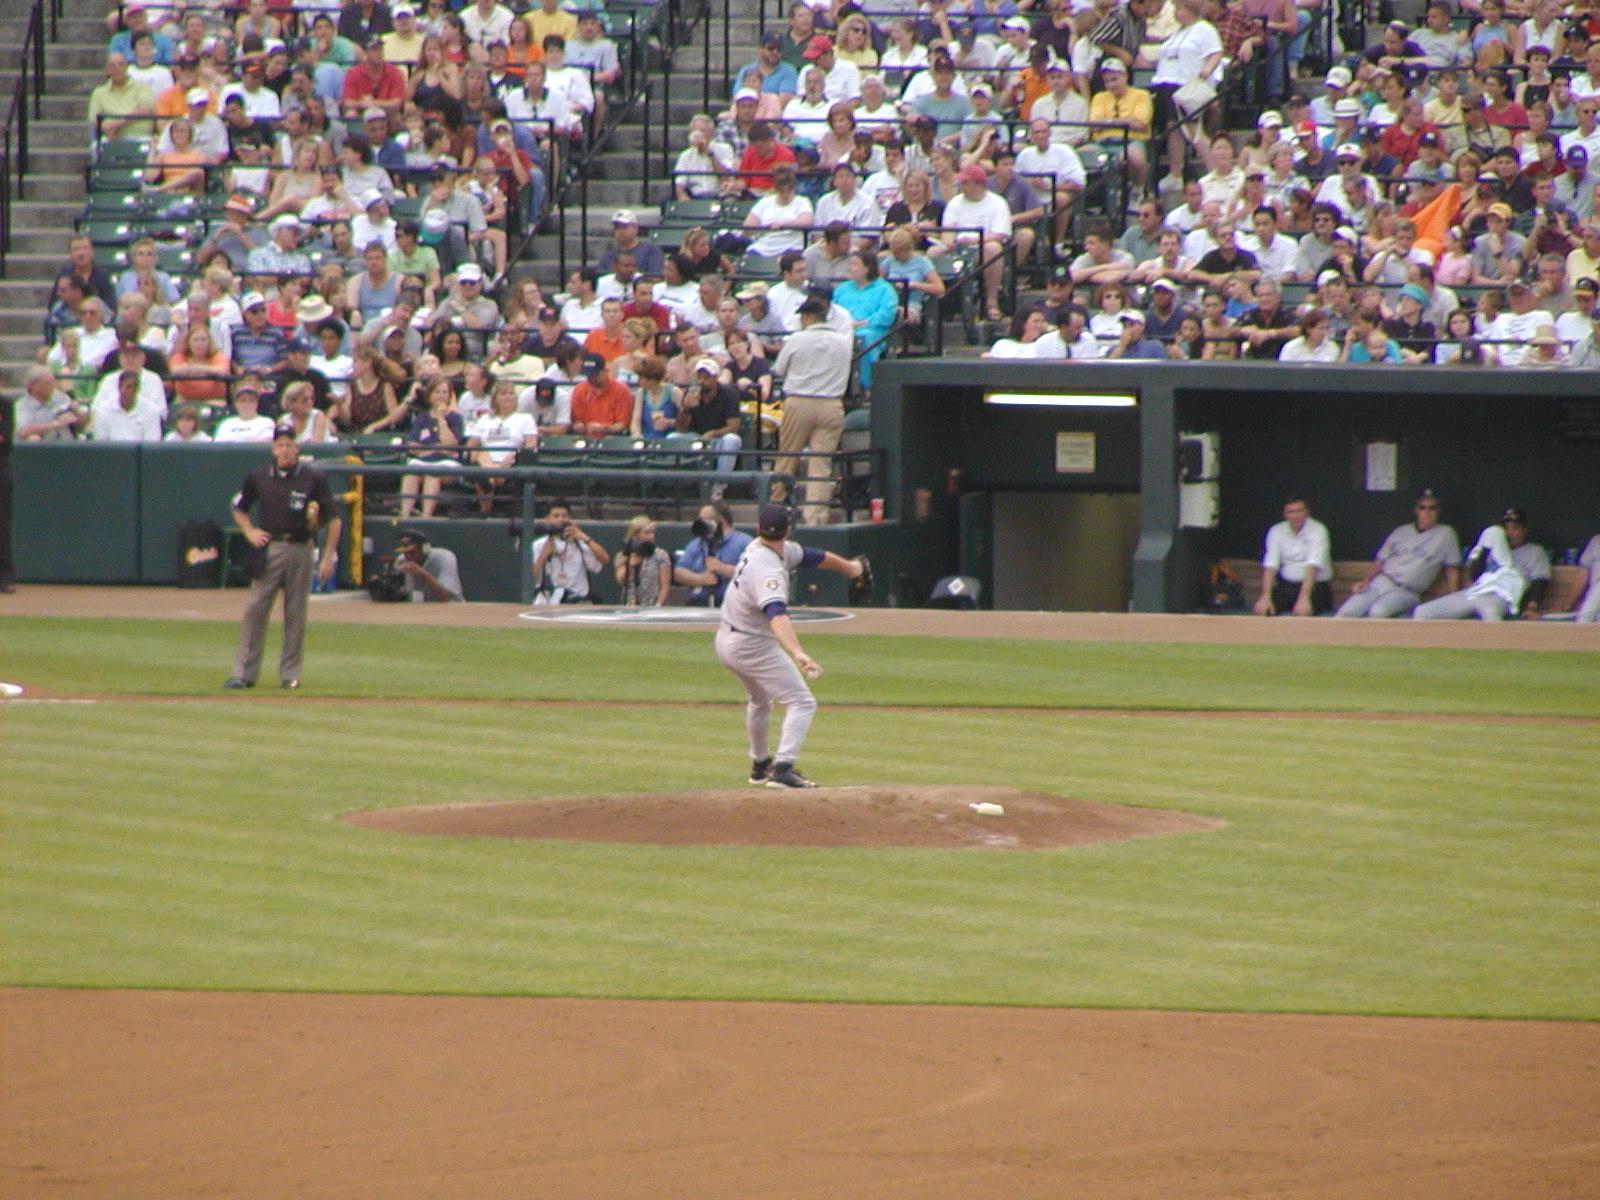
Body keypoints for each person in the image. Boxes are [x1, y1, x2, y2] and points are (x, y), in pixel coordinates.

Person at [714, 502, 868, 789]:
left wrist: (850, 568)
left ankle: (760, 766)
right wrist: (797, 652)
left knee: (760, 700)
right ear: (788, 530)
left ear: (759, 529)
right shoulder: (767, 569)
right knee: (801, 702)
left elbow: (812, 557)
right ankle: (783, 769)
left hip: (726, 640)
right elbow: (776, 614)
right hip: (750, 645)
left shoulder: (759, 548)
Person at [224, 422, 343, 689]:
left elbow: (334, 519)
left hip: (301, 546)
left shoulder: (313, 477)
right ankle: (243, 674)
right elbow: (238, 506)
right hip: (271, 546)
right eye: (280, 445)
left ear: (297, 447)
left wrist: (327, 557)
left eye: (289, 444)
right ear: (273, 448)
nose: (285, 450)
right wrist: (249, 531)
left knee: (295, 613)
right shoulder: (260, 476)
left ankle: (290, 674)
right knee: (256, 609)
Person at [771, 295, 852, 525]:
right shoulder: (843, 341)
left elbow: (778, 369)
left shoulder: (797, 339)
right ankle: (815, 517)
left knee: (787, 457)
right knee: (821, 464)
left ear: (808, 317)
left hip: (800, 401)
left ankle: (776, 510)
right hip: (831, 404)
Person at [1335, 489, 1462, 619]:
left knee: (1378, 612)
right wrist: (1365, 581)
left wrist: (1452, 602)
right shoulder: (1401, 531)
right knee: (1346, 612)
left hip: (1407, 592)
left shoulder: (1446, 534)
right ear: (1416, 510)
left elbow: (1452, 570)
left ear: (1438, 511)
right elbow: (1379, 561)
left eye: (1432, 508)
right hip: (1382, 581)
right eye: (1422, 507)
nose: (1427, 512)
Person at [1413, 509, 1552, 621]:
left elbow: (1539, 582)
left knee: (1490, 618)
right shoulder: (1492, 548)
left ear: (1524, 530)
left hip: (1501, 596)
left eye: (1515, 528)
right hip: (1475, 593)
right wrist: (1485, 549)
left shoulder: (1535, 552)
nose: (1509, 533)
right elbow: (1474, 577)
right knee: (1422, 612)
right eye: (1506, 528)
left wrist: (1532, 607)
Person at [1253, 495, 1332, 616]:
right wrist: (1265, 597)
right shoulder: (1276, 531)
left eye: (1299, 511)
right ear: (1285, 514)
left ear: (1307, 512)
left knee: (1303, 612)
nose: (1296, 515)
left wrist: (1304, 598)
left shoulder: (1318, 530)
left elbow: (1313, 565)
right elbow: (1271, 565)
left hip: (1315, 588)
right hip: (1286, 586)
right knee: (1264, 610)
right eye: (1291, 512)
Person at [530, 497, 609, 603]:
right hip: (549, 600)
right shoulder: (539, 545)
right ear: (547, 519)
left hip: (578, 600)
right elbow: (529, 579)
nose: (560, 519)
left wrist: (584, 537)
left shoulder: (579, 543)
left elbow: (604, 559)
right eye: (556, 516)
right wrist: (543, 555)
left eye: (564, 516)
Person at [391, 527, 464, 601]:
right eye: (405, 553)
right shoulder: (401, 560)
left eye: (412, 552)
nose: (408, 556)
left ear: (425, 549)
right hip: (421, 606)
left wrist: (421, 572)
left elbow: (445, 598)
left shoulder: (445, 557)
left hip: (453, 606)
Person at [614, 515, 672, 607]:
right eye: (647, 533)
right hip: (629, 606)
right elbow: (621, 580)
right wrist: (630, 564)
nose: (651, 536)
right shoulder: (624, 555)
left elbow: (665, 586)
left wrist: (658, 605)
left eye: (652, 532)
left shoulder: (661, 555)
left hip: (652, 605)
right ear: (635, 534)